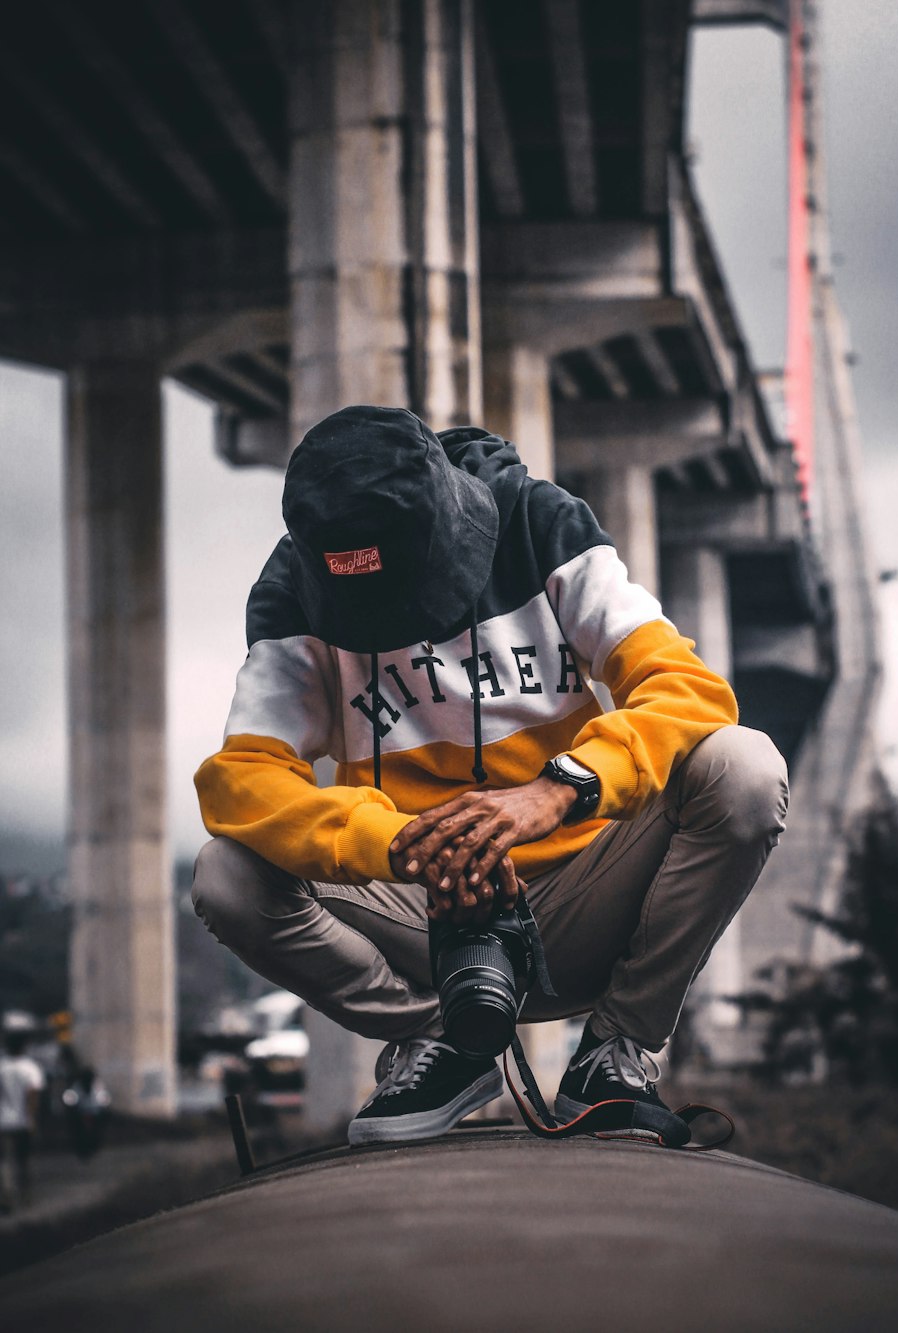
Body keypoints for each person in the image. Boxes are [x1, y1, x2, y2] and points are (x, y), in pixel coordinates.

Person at [192, 405, 788, 1146]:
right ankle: (442, 1044)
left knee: (744, 767)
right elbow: (242, 777)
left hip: (582, 888)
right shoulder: (297, 587)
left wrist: (561, 788)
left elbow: (687, 689)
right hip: (422, 917)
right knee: (227, 874)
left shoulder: (538, 522)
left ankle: (614, 1050)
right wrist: (399, 841)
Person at [0, 1028, 45, 1211]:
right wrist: (32, 1118)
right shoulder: (30, 1068)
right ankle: (25, 1198)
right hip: (22, 1122)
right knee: (22, 1161)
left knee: (3, 1163)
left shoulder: (1, 1066)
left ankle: (5, 1199)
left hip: (2, 1122)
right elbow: (32, 1096)